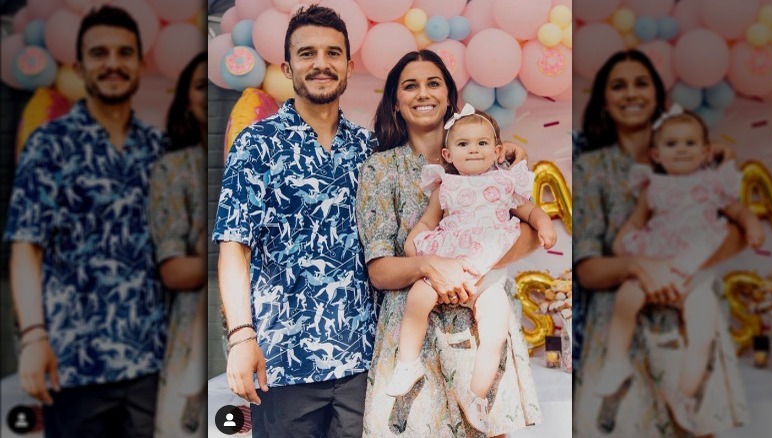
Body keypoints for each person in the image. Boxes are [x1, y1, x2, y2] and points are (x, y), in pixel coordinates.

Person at [357, 49, 544, 437]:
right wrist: (430, 266)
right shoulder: (381, 168)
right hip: (414, 340)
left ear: (448, 96)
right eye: (410, 86)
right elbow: (378, 270)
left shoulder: (494, 161)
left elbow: (529, 236)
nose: (423, 93)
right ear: (395, 101)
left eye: (433, 83)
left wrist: (468, 268)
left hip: (482, 332)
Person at [212, 5, 377, 437]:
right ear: (287, 67)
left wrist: (503, 157)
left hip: (364, 361)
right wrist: (241, 337)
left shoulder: (368, 149)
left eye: (332, 53)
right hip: (283, 363)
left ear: (349, 66)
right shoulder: (257, 144)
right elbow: (234, 246)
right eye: (307, 54)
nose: (321, 64)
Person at [4, 5, 166, 436]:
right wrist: (34, 337)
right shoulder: (49, 145)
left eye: (124, 52)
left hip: (152, 363)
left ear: (139, 63)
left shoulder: (159, 148)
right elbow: (25, 246)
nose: (112, 63)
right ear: (79, 65)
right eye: (99, 53)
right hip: (74, 363)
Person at [573, 49, 750, 437]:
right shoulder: (590, 167)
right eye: (619, 85)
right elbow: (587, 267)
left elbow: (738, 235)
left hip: (692, 323)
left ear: (657, 95)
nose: (631, 93)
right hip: (621, 330)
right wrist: (640, 267)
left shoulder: (702, 158)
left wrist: (680, 272)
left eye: (642, 83)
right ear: (604, 99)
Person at [385, 104, 557, 432]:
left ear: (496, 151)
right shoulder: (445, 187)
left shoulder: (506, 184)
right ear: (448, 154)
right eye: (464, 144)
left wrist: (545, 225)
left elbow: (531, 212)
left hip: (487, 273)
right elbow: (427, 221)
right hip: (451, 262)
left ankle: (475, 395)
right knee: (417, 301)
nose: (473, 150)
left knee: (494, 330)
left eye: (481, 144)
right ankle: (408, 365)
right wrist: (415, 242)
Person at [149, 51, 207, 437]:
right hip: (190, 329)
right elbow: (174, 271)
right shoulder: (175, 169)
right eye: (201, 86)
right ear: (187, 99)